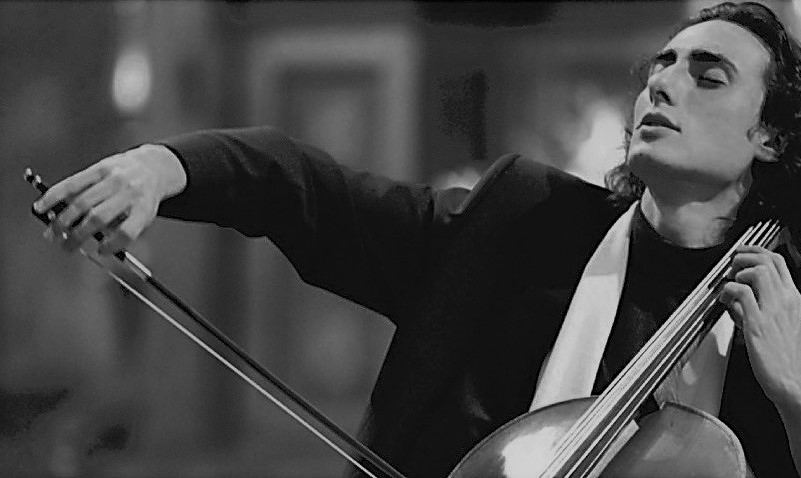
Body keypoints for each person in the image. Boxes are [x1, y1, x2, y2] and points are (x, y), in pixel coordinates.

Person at [32, 2, 801, 477]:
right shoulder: (523, 227)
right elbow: (307, 190)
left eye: (706, 77)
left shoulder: (786, 307)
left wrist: (796, 401)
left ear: (768, 137)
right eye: (661, 66)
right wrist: (160, 167)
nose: (660, 83)